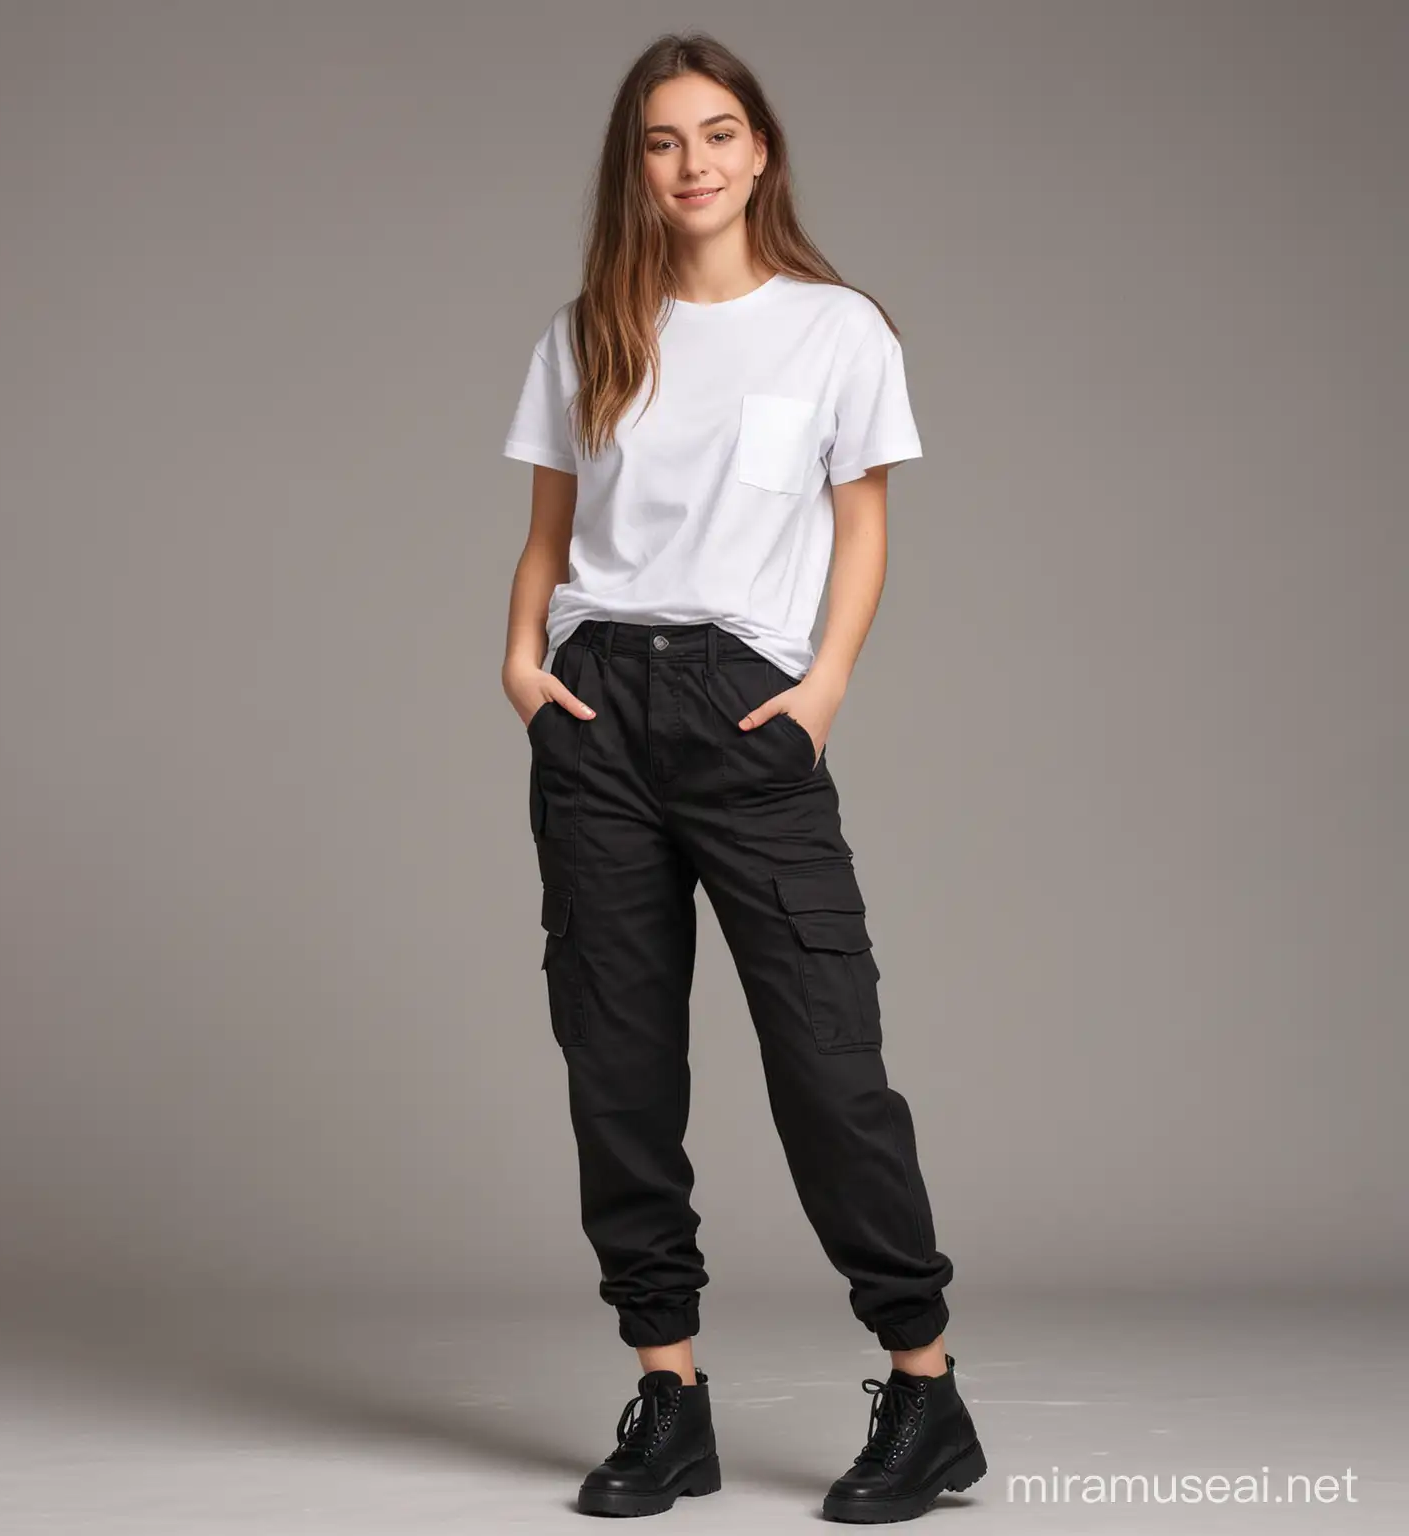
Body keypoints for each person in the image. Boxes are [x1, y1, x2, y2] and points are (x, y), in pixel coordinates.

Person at [499, 30, 987, 1524]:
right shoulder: (592, 329)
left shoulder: (838, 329)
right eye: (663, 140)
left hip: (746, 709)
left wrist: (824, 685)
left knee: (831, 1069)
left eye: (718, 133)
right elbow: (547, 531)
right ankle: (670, 1391)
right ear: (634, 166)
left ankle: (925, 1391)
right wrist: (522, 664)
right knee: (619, 1069)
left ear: (760, 149)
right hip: (595, 716)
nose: (694, 162)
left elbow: (864, 527)